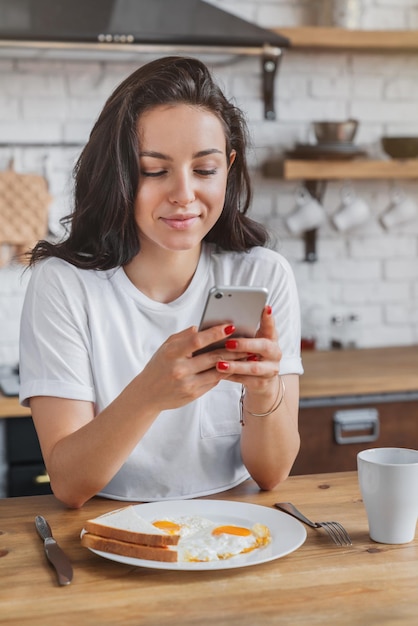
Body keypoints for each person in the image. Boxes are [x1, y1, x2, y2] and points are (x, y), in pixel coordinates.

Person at [19, 56, 303, 509]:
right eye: (154, 170)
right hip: (107, 535)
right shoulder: (64, 285)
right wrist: (148, 395)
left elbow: (272, 475)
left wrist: (265, 390)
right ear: (119, 174)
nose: (184, 194)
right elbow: (69, 485)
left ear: (228, 169)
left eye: (205, 170)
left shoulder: (262, 274)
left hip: (233, 529)